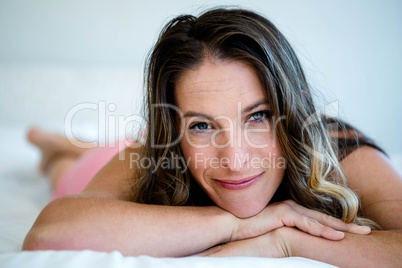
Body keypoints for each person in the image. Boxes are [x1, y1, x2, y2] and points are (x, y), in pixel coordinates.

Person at [23, 8, 402, 266]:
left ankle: (59, 145)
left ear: (295, 111)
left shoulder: (339, 149)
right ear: (172, 131)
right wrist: (235, 225)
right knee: (63, 173)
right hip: (110, 158)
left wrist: (288, 239)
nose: (234, 160)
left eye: (259, 116)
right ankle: (53, 146)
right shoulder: (152, 155)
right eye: (201, 125)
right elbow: (50, 233)